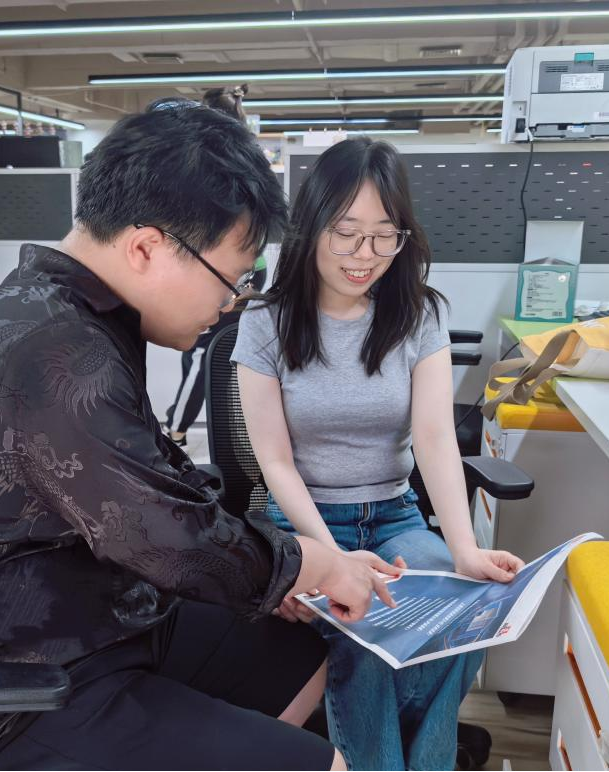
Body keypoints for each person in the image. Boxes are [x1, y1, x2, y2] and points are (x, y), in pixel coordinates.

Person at [0, 100, 402, 771]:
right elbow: (165, 538)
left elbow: (161, 479)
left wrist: (284, 573)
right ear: (147, 247)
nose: (229, 303)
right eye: (230, 279)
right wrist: (310, 565)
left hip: (90, 619)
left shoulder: (70, 313)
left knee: (295, 654)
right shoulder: (52, 351)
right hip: (3, 691)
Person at [233, 137, 526, 771]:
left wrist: (464, 548)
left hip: (393, 517)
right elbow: (275, 462)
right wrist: (331, 560)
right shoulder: (264, 323)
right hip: (306, 522)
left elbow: (435, 437)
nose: (364, 255)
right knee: (364, 633)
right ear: (312, 228)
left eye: (383, 236)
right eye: (346, 234)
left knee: (464, 616)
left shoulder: (419, 314)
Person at [163, 83, 268, 446]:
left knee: (202, 352)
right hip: (240, 270)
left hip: (228, 272)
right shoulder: (245, 160)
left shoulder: (216, 166)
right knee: (207, 351)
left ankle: (176, 431)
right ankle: (182, 427)